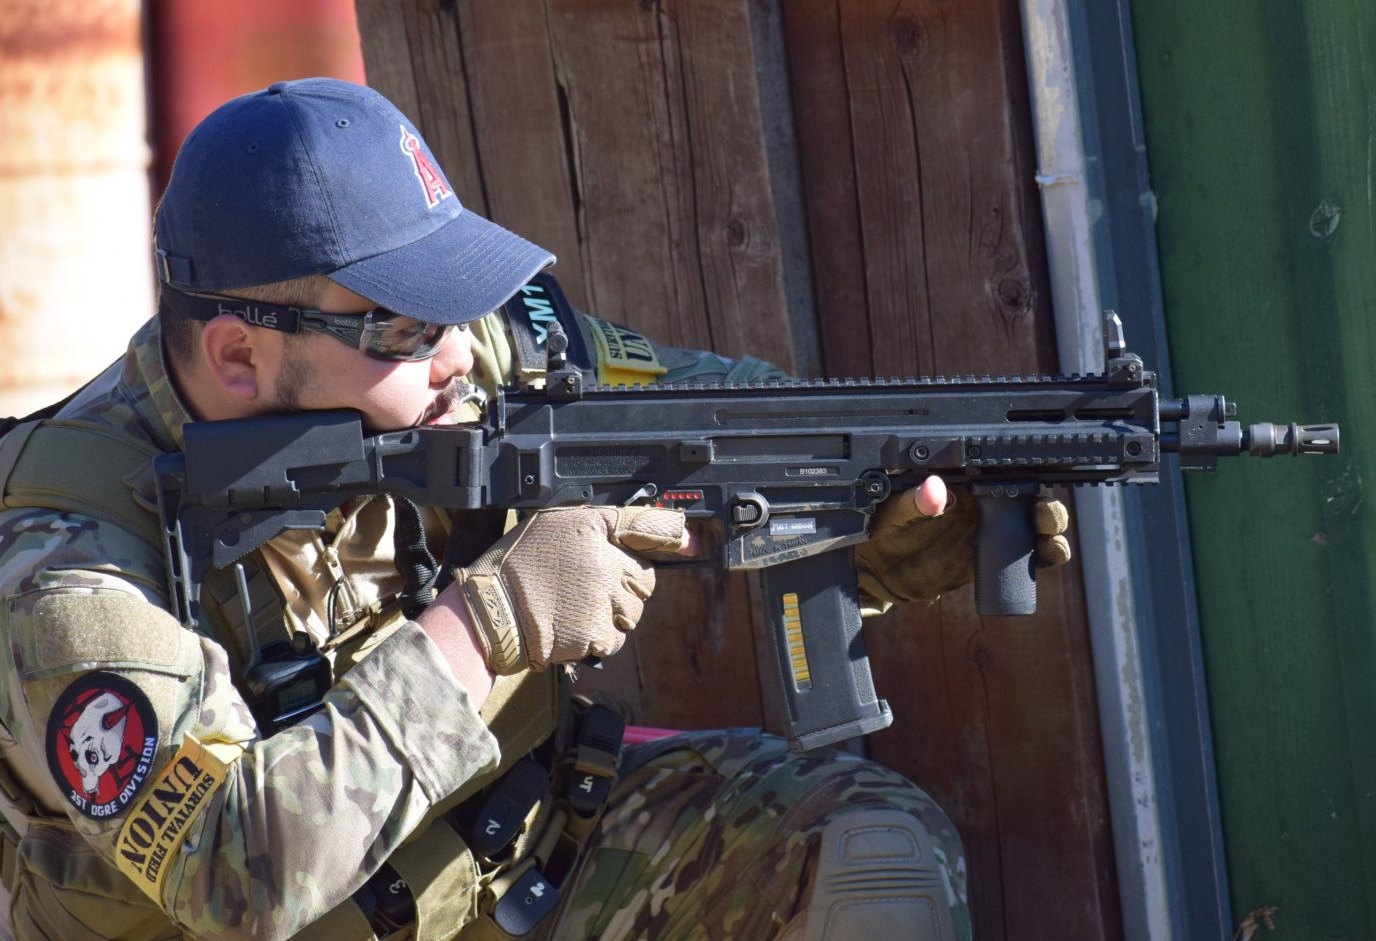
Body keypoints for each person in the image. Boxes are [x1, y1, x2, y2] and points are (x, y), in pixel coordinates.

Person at [0, 78, 1069, 940]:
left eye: (452, 300)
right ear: (239, 354)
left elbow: (723, 426)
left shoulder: (465, 359)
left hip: (513, 866)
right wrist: (487, 624)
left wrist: (863, 519)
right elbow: (239, 872)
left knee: (866, 855)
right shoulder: (66, 560)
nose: (459, 354)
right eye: (405, 325)